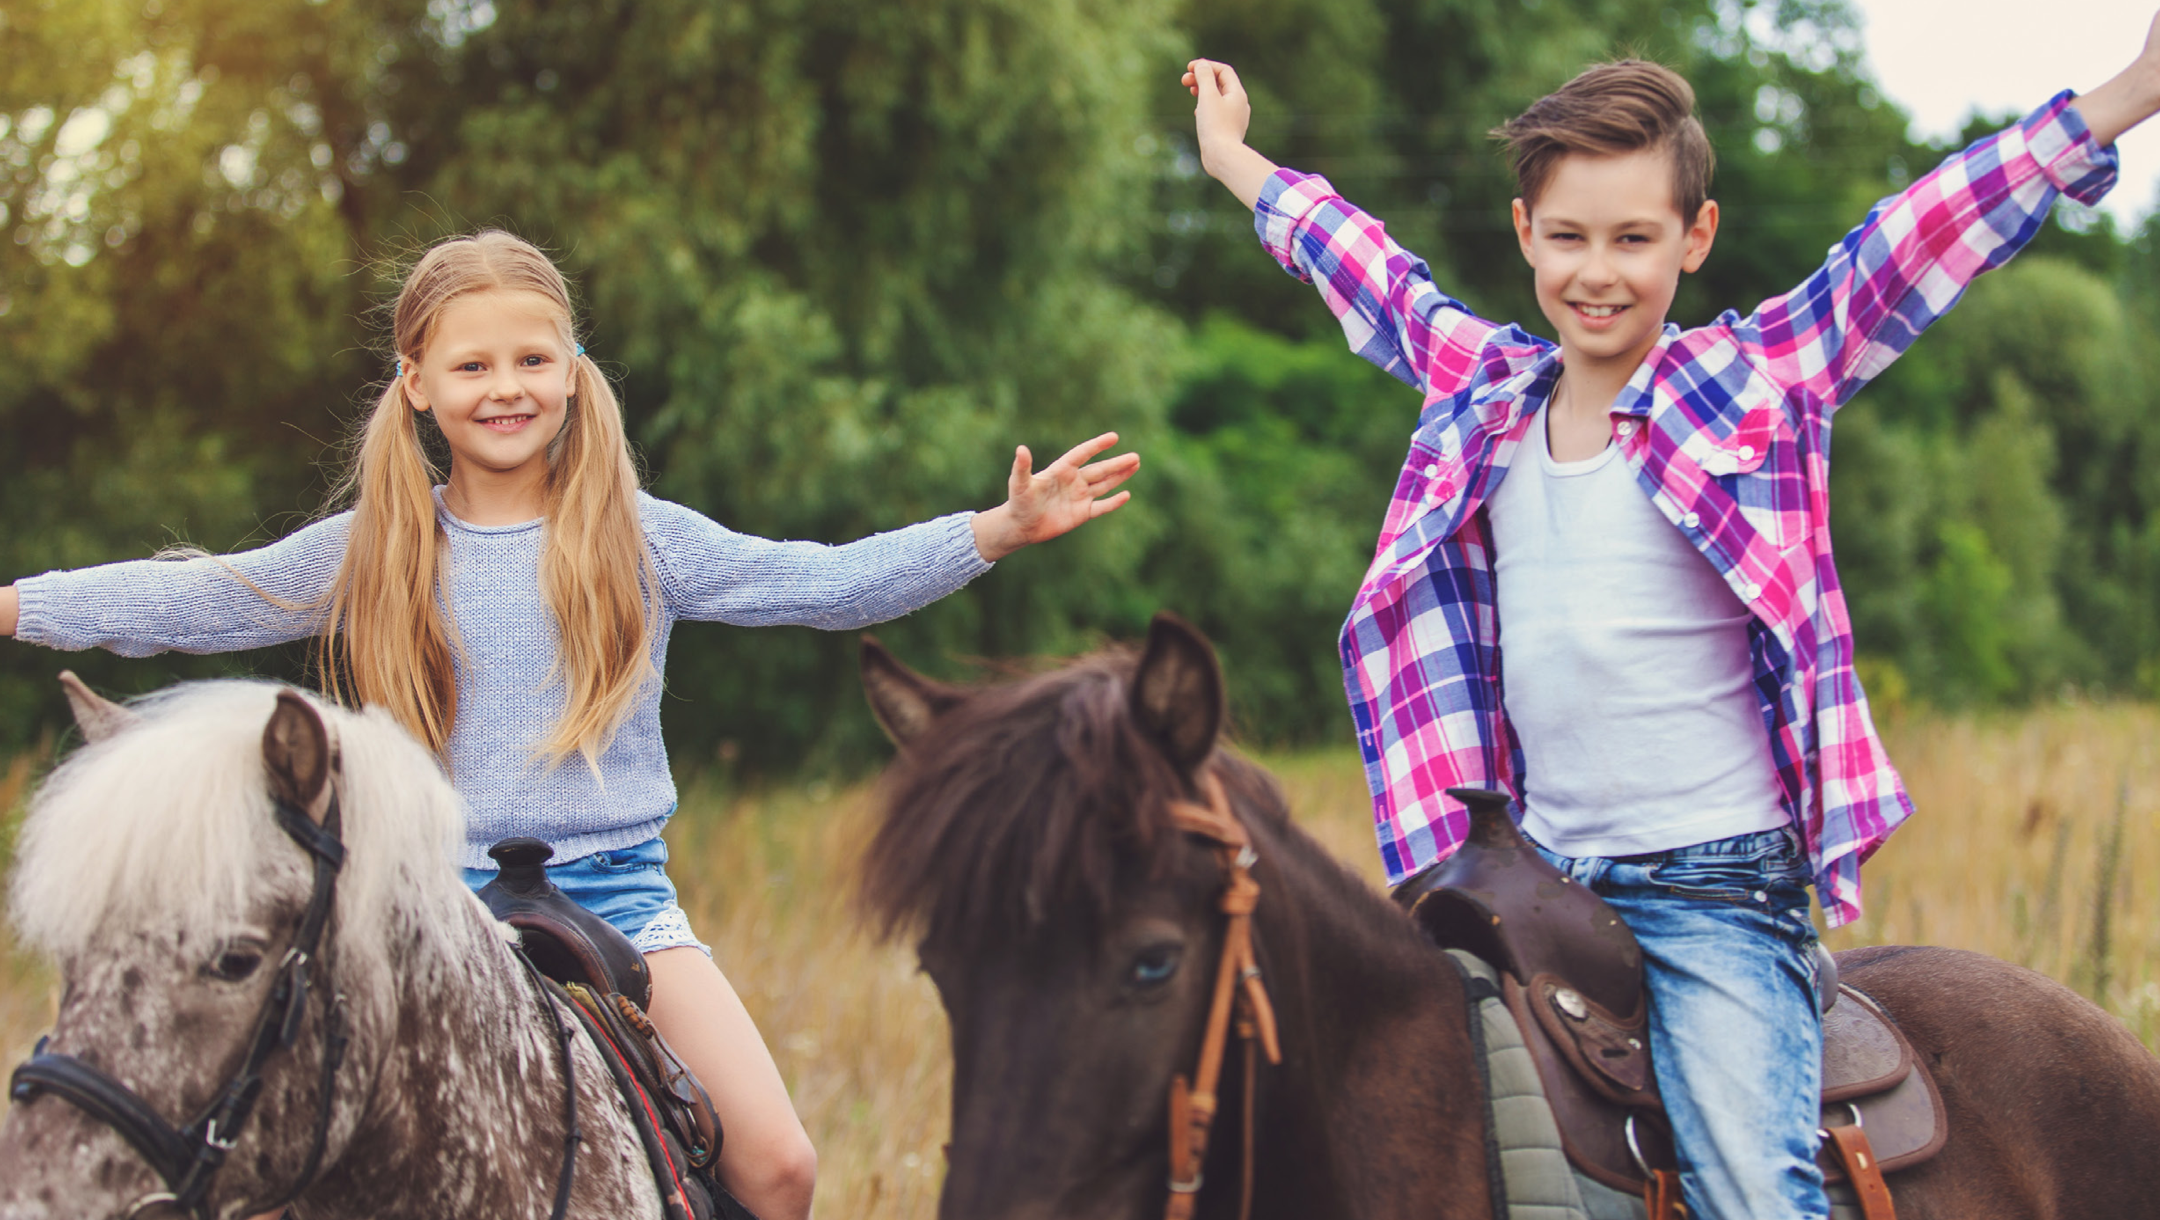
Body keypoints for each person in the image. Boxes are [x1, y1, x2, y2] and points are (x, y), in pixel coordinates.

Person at [1182, 18, 2159, 1220]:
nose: (1599, 272)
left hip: (1714, 895)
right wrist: (1235, 160)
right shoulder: (1485, 394)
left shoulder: (1752, 379)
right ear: (1525, 234)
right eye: (1572, 237)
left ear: (1692, 239)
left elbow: (1911, 241)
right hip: (1524, 889)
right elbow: (1369, 270)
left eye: (1634, 239)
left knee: (1755, 1187)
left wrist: (2127, 93)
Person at [0, 229, 1140, 1219]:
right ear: (416, 383)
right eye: (473, 364)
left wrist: (989, 531)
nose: (508, 386)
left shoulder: (638, 535)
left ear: (574, 372)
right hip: (418, 909)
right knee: (269, 1159)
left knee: (783, 1166)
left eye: (534, 359)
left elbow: (820, 580)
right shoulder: (374, 544)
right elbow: (196, 597)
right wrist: (17, 605)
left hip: (619, 899)